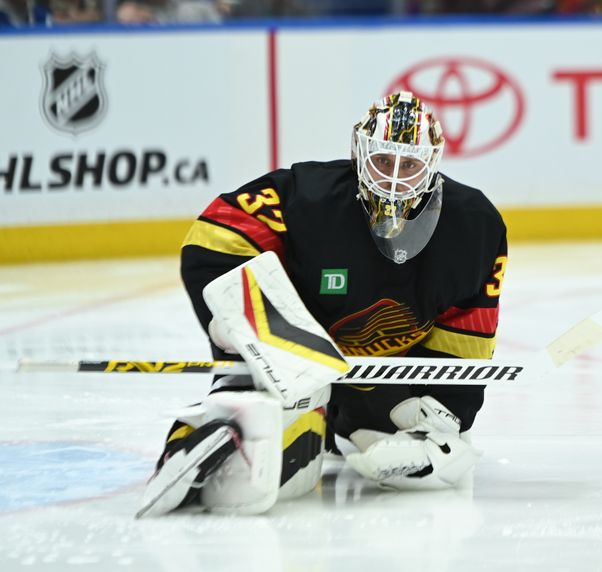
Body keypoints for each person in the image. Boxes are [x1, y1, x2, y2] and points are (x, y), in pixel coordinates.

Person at [138, 91, 508, 517]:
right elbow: (215, 237)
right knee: (289, 474)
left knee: (421, 458)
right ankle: (215, 427)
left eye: (409, 164)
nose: (393, 178)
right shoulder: (307, 198)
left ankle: (335, 426)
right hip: (292, 360)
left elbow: (469, 329)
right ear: (359, 153)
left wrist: (445, 410)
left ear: (432, 162)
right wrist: (239, 319)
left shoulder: (474, 224)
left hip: (380, 379)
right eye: (383, 160)